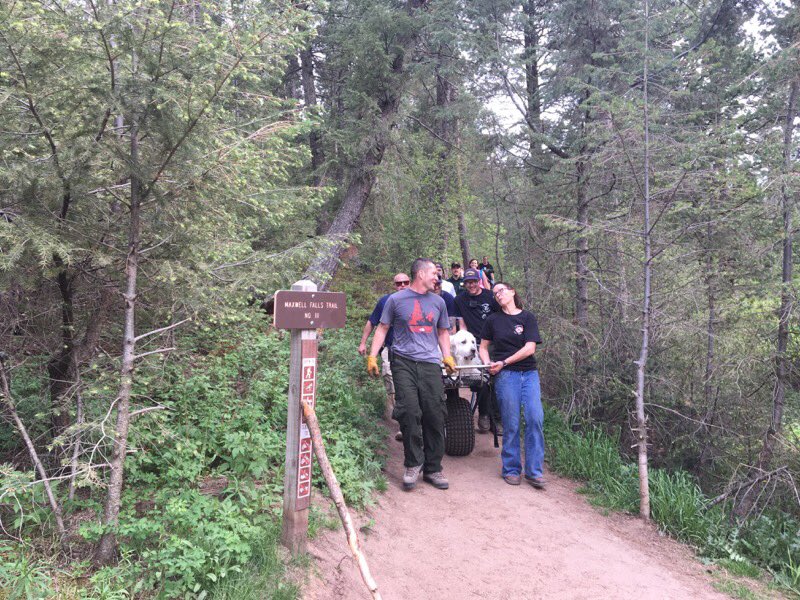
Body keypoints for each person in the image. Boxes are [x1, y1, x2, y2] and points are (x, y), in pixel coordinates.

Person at [367, 258, 457, 491]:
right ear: (420, 274)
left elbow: (443, 331)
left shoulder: (439, 302)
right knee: (408, 412)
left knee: (435, 413)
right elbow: (383, 328)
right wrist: (372, 356)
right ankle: (413, 464)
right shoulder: (396, 300)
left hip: (430, 364)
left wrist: (447, 356)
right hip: (403, 362)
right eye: (434, 273)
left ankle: (433, 468)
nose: (437, 277)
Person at [478, 282, 545, 489]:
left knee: (535, 418)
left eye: (502, 290)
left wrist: (504, 362)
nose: (498, 294)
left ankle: (534, 472)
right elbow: (483, 347)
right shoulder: (493, 320)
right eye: (495, 293)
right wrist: (488, 363)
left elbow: (530, 348)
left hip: (529, 374)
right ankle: (511, 469)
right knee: (511, 422)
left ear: (513, 292)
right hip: (506, 376)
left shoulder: (527, 317)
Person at [358, 273, 410, 438]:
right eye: (399, 283)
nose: (402, 285)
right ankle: (403, 423)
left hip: (412, 351)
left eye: (405, 282)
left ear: (410, 283)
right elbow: (372, 322)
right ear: (394, 285)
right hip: (390, 348)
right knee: (392, 383)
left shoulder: (417, 300)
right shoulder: (385, 301)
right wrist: (363, 343)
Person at [454, 268, 500, 433]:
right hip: (472, 343)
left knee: (494, 379)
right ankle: (484, 414)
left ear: (479, 281)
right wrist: (466, 344)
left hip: (491, 342)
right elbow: (462, 325)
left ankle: (496, 419)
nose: (471, 285)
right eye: (468, 282)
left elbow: (500, 317)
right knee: (479, 379)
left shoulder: (490, 296)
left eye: (474, 281)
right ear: (464, 283)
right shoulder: (459, 300)